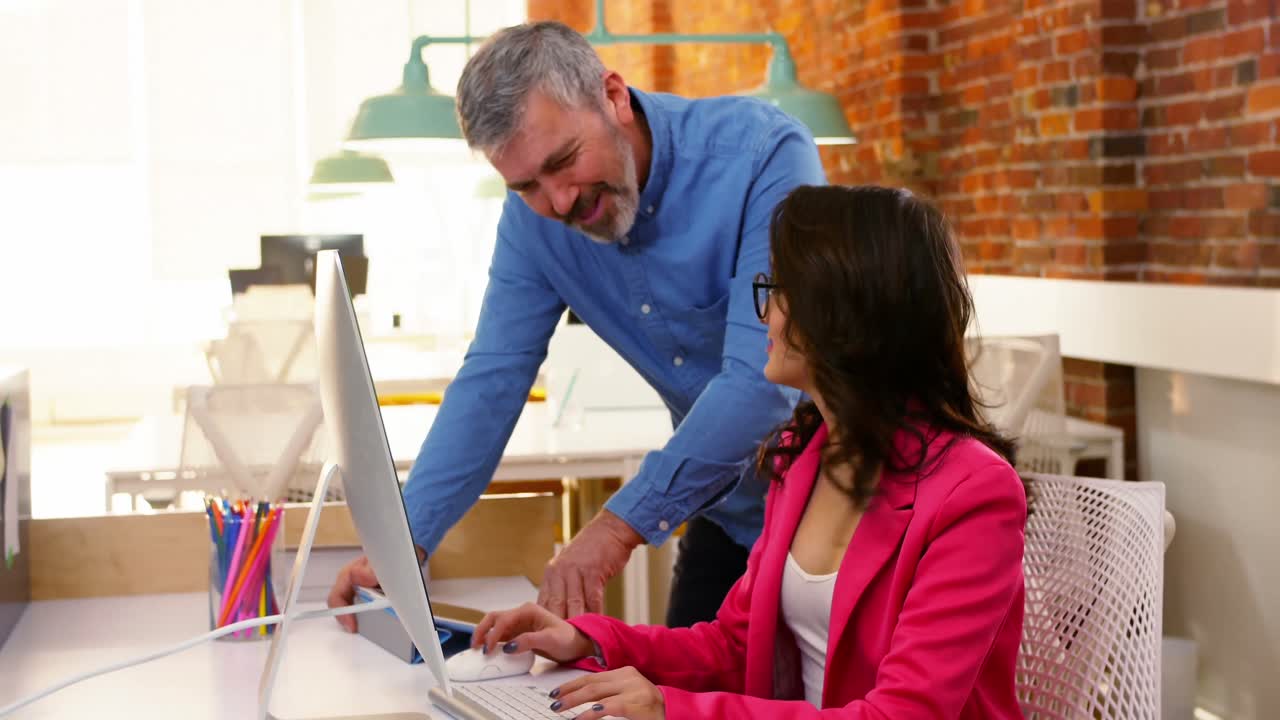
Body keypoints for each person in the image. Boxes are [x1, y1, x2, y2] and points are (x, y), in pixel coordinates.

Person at [328, 20, 825, 630]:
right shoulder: (532, 222)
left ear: (613, 97)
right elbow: (493, 377)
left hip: (848, 520)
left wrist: (615, 527)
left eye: (563, 161)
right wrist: (403, 545)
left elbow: (760, 385)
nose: (558, 202)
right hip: (732, 513)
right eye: (527, 185)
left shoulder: (762, 157)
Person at [467, 185, 1029, 719]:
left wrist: (672, 707)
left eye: (779, 290)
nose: (765, 313)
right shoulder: (804, 458)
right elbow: (735, 643)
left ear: (844, 310)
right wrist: (588, 637)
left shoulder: (974, 495)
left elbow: (903, 715)